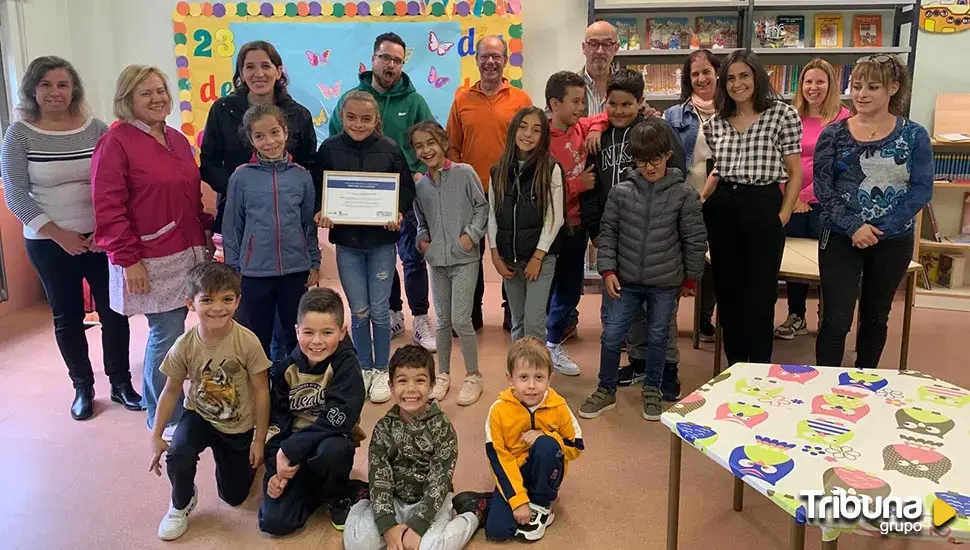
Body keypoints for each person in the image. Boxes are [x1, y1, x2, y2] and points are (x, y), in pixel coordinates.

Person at [0, 56, 140, 420]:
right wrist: (60, 235)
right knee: (68, 316)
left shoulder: (96, 129)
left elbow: (116, 179)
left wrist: (104, 231)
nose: (55, 92)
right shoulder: (19, 134)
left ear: (74, 88)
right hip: (48, 242)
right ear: (33, 90)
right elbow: (15, 193)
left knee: (114, 313)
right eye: (46, 85)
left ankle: (121, 382)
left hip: (101, 239)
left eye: (62, 84)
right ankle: (82, 386)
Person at [92, 65, 215, 438]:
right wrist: (127, 259)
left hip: (187, 248)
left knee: (184, 332)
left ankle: (182, 401)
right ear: (127, 99)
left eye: (161, 90)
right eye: (146, 93)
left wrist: (204, 236)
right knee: (167, 331)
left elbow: (187, 193)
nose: (157, 98)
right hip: (147, 255)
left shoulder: (176, 138)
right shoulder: (116, 142)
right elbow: (108, 205)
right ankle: (163, 416)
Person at [578, 119, 706, 421]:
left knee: (659, 336)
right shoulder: (620, 193)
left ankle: (652, 388)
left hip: (665, 283)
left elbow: (695, 239)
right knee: (611, 336)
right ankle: (605, 389)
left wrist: (691, 278)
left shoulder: (684, 194)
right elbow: (607, 234)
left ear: (667, 156)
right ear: (634, 160)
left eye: (656, 160)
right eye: (642, 161)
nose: (650, 167)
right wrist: (607, 271)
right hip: (625, 281)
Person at [199, 40, 317, 363]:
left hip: (290, 251)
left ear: (279, 71)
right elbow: (208, 163)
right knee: (253, 327)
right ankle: (259, 385)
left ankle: (285, 383)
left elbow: (311, 167)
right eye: (249, 66)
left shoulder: (299, 114)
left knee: (290, 327)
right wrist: (246, 187)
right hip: (249, 238)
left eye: (266, 65)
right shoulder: (223, 110)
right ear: (240, 73)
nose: (258, 73)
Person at [814, 55, 932, 369]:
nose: (861, 94)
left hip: (892, 239)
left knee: (876, 315)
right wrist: (854, 227)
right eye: (856, 86)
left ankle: (864, 382)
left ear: (893, 88)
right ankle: (822, 385)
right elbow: (824, 187)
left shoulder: (915, 135)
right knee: (836, 318)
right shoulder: (834, 134)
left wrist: (883, 228)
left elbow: (921, 188)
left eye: (872, 86)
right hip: (840, 235)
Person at [147, 262, 271, 541]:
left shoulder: (248, 342)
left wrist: (259, 439)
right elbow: (170, 390)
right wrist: (156, 434)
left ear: (238, 301)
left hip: (237, 424)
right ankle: (181, 502)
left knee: (235, 497)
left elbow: (262, 391)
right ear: (191, 303)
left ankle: (252, 461)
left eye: (227, 299)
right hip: (199, 415)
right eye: (207, 300)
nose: (218, 308)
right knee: (178, 454)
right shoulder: (184, 345)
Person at [330, 32, 437, 351]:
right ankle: (392, 313)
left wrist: (418, 172)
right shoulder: (352, 98)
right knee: (380, 257)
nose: (391, 65)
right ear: (373, 60)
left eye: (397, 60)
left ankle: (419, 318)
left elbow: (430, 138)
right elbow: (336, 142)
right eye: (385, 58)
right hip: (358, 201)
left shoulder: (414, 101)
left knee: (412, 255)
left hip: (404, 196)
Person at [581, 68, 686, 392]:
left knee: (660, 314)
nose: (619, 111)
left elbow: (677, 174)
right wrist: (595, 231)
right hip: (618, 241)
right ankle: (639, 362)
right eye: (613, 104)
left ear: (641, 102)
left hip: (656, 241)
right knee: (627, 311)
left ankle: (667, 368)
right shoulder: (599, 138)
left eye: (627, 104)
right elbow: (589, 188)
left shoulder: (657, 132)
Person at [700, 50, 803, 367]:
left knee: (760, 296)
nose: (737, 83)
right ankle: (735, 367)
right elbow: (719, 169)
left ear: (757, 77)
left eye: (744, 75)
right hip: (724, 207)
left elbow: (795, 172)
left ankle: (759, 368)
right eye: (730, 78)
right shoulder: (715, 123)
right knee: (728, 294)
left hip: (763, 204)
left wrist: (782, 216)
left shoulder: (782, 115)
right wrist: (702, 202)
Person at [315, 90, 415, 405]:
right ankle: (364, 367)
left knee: (381, 311)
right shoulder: (329, 148)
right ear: (341, 117)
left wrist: (396, 214)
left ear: (377, 120)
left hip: (381, 243)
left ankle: (383, 368)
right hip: (347, 243)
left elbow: (406, 191)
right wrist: (321, 212)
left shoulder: (390, 149)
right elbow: (319, 191)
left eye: (366, 118)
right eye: (352, 117)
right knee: (359, 312)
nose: (359, 124)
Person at [343, 345, 491, 550]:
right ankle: (363, 499)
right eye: (402, 381)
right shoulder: (384, 427)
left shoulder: (442, 427)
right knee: (358, 544)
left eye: (420, 380)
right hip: (392, 499)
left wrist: (418, 527)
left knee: (432, 548)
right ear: (391, 386)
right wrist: (387, 525)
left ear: (431, 386)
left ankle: (474, 513)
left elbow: (439, 481)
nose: (411, 389)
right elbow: (380, 476)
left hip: (431, 502)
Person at [259, 288, 366, 536]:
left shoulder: (346, 365)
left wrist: (291, 448)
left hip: (329, 442)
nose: (316, 341)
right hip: (293, 452)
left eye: (327, 333)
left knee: (333, 450)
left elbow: (339, 419)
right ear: (297, 331)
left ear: (342, 332)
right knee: (274, 522)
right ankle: (317, 488)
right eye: (308, 332)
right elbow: (277, 422)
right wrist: (276, 469)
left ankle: (336, 494)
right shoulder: (285, 369)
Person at [446, 36, 534, 332]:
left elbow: (530, 143)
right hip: (471, 193)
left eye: (496, 56)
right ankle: (470, 314)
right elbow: (452, 147)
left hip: (510, 190)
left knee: (510, 251)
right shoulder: (461, 99)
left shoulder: (520, 100)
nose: (490, 62)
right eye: (485, 56)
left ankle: (513, 312)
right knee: (470, 254)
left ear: (505, 60)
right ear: (477, 60)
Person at [222, 103, 320, 359]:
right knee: (255, 340)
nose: (269, 141)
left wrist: (314, 261)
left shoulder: (301, 176)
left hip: (295, 270)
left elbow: (307, 224)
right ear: (251, 139)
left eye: (275, 132)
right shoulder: (241, 177)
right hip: (254, 272)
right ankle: (257, 395)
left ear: (285, 132)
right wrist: (234, 270)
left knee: (295, 336)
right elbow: (232, 228)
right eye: (260, 136)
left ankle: (292, 393)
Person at [410, 121, 489, 406]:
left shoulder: (464, 173)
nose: (426, 150)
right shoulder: (421, 187)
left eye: (430, 143)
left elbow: (482, 207)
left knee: (460, 319)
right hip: (437, 261)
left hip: (465, 260)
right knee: (442, 320)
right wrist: (424, 244)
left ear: (443, 142)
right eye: (419, 146)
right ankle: (442, 374)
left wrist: (469, 237)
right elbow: (421, 223)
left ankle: (473, 375)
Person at [774, 58, 853, 341]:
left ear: (831, 85)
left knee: (827, 261)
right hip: (790, 201)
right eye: (808, 81)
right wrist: (793, 197)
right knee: (793, 262)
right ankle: (796, 315)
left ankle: (826, 315)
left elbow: (842, 167)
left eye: (820, 81)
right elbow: (780, 160)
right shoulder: (790, 115)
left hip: (827, 204)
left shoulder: (843, 119)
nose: (813, 87)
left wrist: (808, 195)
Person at [484, 337, 584, 542]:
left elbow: (576, 446)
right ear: (510, 379)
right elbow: (499, 460)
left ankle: (541, 502)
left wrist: (548, 435)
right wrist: (518, 500)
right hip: (514, 472)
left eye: (539, 377)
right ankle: (490, 503)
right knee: (497, 531)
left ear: (550, 378)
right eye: (523, 377)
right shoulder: (498, 411)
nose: (531, 386)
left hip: (546, 473)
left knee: (546, 445)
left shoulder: (559, 406)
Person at [542, 71, 608, 377]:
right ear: (555, 104)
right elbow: (538, 190)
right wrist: (576, 185)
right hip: (548, 230)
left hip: (576, 227)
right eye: (576, 101)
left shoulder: (581, 126)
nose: (582, 107)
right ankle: (538, 344)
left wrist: (595, 127)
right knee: (545, 288)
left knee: (570, 290)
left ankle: (553, 342)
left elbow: (602, 117)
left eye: (583, 100)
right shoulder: (540, 139)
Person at [487, 107, 565, 342]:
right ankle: (519, 374)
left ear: (543, 137)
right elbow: (492, 215)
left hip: (539, 260)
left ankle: (538, 376)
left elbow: (555, 218)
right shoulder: (497, 171)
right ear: (513, 131)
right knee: (517, 322)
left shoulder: (551, 169)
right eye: (522, 127)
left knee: (534, 323)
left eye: (536, 129)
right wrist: (495, 256)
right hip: (509, 259)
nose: (528, 134)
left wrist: (537, 257)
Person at [663, 49, 721, 343]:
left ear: (717, 73)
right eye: (694, 74)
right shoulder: (674, 114)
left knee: (712, 262)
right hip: (684, 196)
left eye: (706, 72)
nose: (701, 78)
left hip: (720, 198)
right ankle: (666, 319)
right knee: (676, 257)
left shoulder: (733, 111)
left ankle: (704, 318)